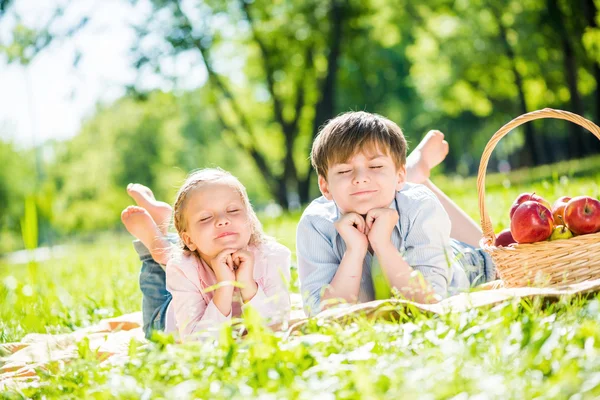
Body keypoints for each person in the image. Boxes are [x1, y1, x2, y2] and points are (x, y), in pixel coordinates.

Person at [297, 111, 496, 316]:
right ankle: (413, 171)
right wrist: (355, 250)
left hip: (461, 261)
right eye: (344, 171)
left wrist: (383, 244)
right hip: (399, 198)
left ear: (399, 177)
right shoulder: (315, 223)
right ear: (325, 186)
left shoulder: (420, 205)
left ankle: (414, 174)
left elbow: (430, 302)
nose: (360, 178)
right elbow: (321, 315)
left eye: (375, 166)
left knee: (497, 249)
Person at [121, 168, 291, 340]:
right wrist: (224, 285)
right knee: (153, 327)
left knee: (171, 256)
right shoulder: (182, 268)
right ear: (188, 240)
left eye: (233, 211)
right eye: (205, 218)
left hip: (195, 255)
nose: (222, 220)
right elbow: (197, 342)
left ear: (250, 221)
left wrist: (248, 284)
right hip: (172, 322)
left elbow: (276, 328)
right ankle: (154, 244)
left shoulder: (272, 257)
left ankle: (160, 233)